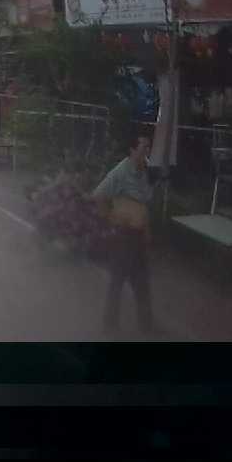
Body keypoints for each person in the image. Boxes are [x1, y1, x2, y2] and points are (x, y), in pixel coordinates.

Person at [91, 134, 155, 333]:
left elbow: (143, 205)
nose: (147, 152)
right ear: (132, 150)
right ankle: (110, 325)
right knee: (117, 281)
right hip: (123, 235)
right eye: (143, 148)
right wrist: (110, 217)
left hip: (138, 235)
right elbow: (98, 195)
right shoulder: (121, 172)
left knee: (141, 282)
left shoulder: (143, 171)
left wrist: (146, 231)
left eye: (148, 148)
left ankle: (146, 325)